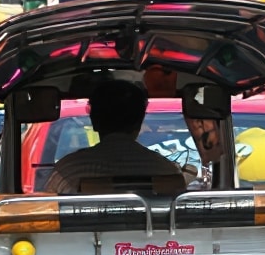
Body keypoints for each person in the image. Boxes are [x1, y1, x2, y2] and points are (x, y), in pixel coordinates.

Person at [45, 75, 187, 193]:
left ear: (94, 121)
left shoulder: (67, 171)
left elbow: (46, 212)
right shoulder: (166, 171)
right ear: (139, 122)